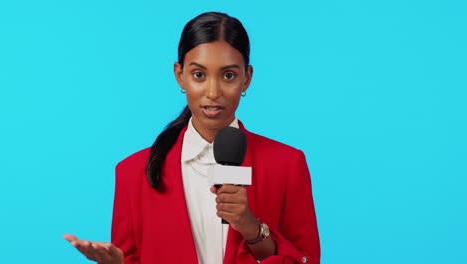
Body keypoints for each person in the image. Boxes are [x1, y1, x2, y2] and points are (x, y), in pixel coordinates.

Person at [64, 12, 320, 264]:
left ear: (247, 79)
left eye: (228, 75)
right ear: (180, 75)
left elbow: (306, 258)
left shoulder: (286, 165)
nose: (212, 92)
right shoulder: (133, 173)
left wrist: (252, 229)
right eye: (199, 75)